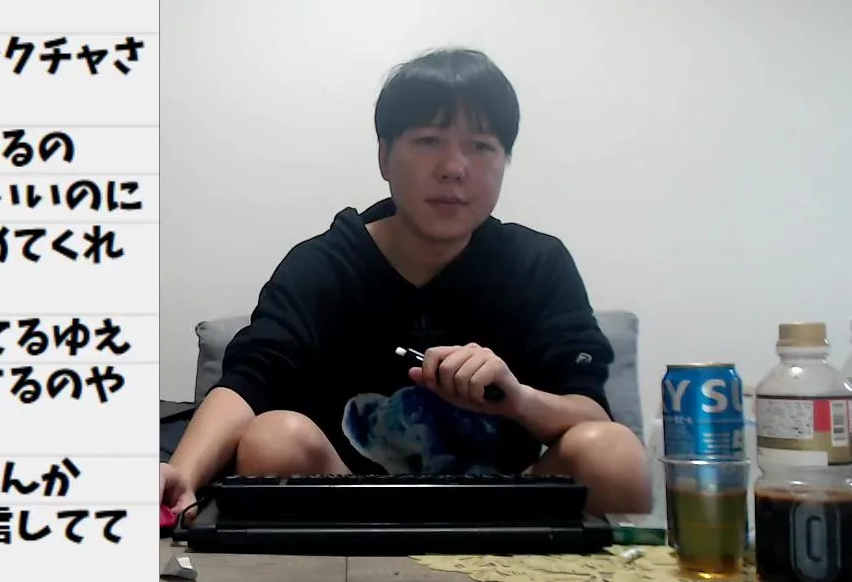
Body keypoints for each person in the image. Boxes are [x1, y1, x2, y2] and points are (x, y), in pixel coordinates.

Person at [161, 48, 651, 519]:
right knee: (273, 438)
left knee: (613, 452)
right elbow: (249, 381)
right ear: (384, 157)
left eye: (481, 146)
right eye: (429, 141)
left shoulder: (538, 264)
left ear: (505, 160)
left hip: (503, 514)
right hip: (350, 515)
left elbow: (591, 413)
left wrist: (520, 399)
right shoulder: (324, 265)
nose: (453, 168)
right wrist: (180, 475)